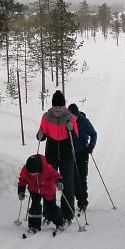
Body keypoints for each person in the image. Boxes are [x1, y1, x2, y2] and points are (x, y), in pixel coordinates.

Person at [37, 89, 79, 223]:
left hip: (67, 153)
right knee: (49, 183)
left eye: (60, 107)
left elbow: (75, 136)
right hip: (51, 152)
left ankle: (68, 215)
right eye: (56, 107)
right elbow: (42, 132)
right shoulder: (46, 117)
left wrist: (71, 129)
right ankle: (49, 213)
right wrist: (40, 135)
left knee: (67, 184)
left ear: (64, 106)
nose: (58, 109)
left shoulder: (70, 117)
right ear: (52, 106)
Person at [18, 153, 63, 232]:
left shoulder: (47, 169)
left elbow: (56, 175)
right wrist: (21, 191)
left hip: (48, 190)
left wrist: (59, 182)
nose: (33, 175)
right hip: (34, 190)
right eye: (31, 174)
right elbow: (22, 181)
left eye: (35, 174)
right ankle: (34, 225)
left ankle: (59, 223)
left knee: (51, 208)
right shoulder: (25, 170)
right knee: (35, 206)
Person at [67, 102, 98, 215]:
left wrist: (91, 146)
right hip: (70, 154)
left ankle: (83, 202)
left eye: (74, 116)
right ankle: (73, 201)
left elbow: (93, 134)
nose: (73, 118)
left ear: (77, 114)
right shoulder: (66, 121)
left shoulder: (84, 121)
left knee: (81, 178)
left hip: (82, 153)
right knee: (72, 179)